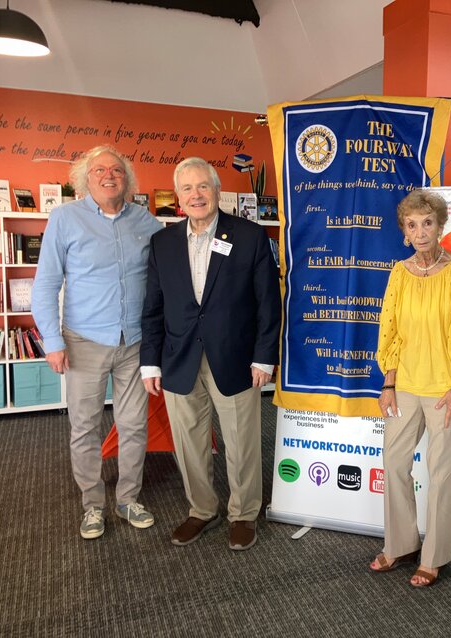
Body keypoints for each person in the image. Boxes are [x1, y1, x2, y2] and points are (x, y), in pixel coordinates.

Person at [140, 157, 280, 551]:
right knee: (188, 442)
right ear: (178, 198)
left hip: (235, 359)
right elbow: (152, 306)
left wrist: (264, 357)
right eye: (187, 189)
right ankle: (202, 509)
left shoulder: (250, 236)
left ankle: (244, 512)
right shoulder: (162, 243)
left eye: (203, 186)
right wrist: (150, 361)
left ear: (217, 192)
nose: (196, 195)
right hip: (177, 359)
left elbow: (268, 303)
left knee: (242, 442)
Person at [32, 145, 163, 539]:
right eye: (100, 170)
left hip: (135, 342)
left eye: (117, 171)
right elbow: (46, 285)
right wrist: (51, 341)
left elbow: (164, 277)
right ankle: (93, 504)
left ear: (128, 179)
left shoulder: (146, 221)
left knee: (133, 425)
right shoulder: (65, 218)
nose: (109, 176)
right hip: (83, 341)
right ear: (85, 180)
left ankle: (128, 498)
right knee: (85, 427)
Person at [370, 190, 451, 587]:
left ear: (440, 226)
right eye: (412, 225)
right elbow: (391, 332)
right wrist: (388, 383)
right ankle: (400, 544)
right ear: (404, 231)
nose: (420, 232)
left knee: (439, 473)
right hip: (404, 387)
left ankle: (433, 556)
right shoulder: (399, 273)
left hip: (446, 392)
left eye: (427, 223)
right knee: (394, 463)